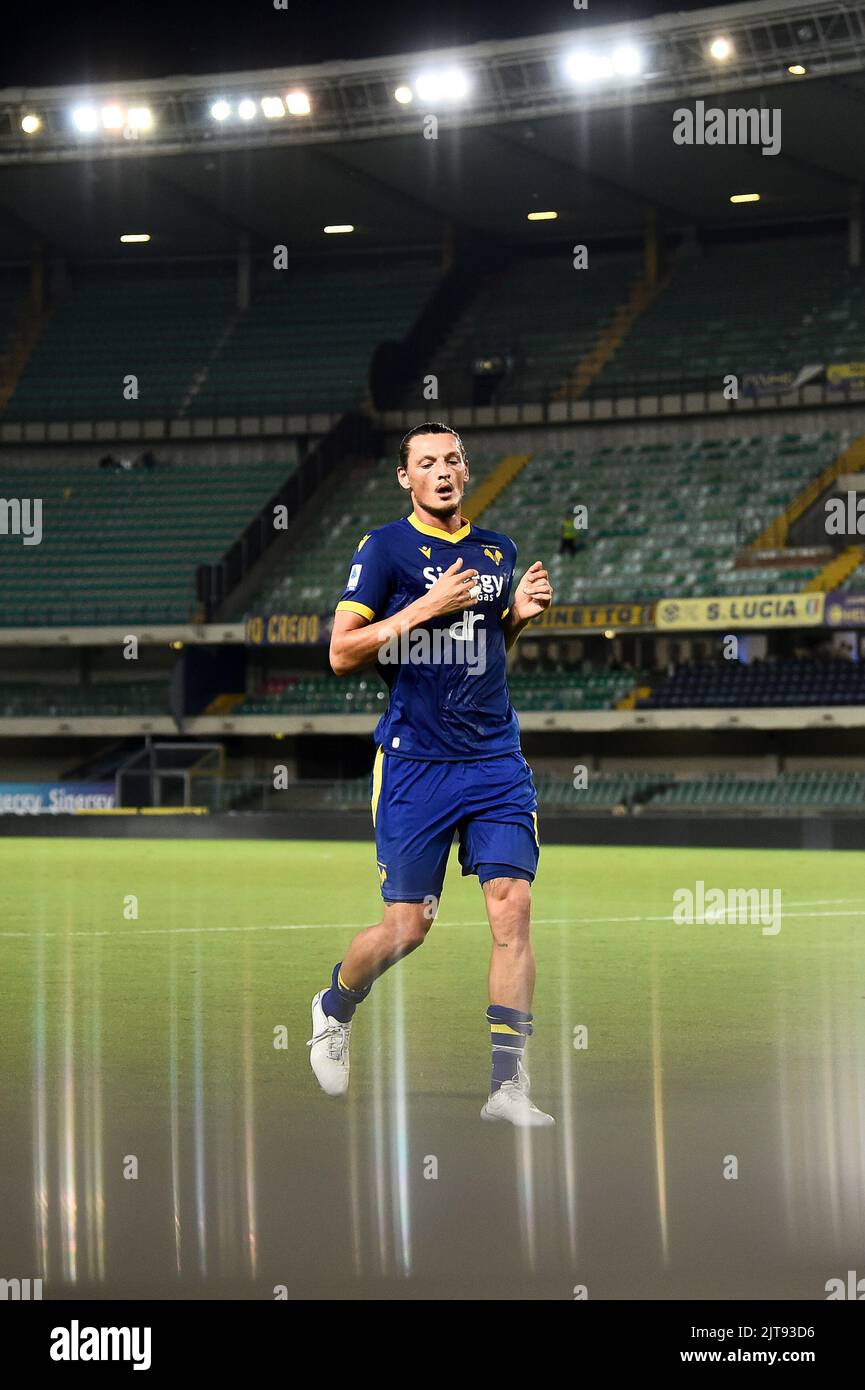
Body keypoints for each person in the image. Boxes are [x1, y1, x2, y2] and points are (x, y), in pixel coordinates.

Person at [307, 421, 555, 1126]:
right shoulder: (383, 549)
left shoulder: (496, 551)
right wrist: (425, 605)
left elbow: (482, 646)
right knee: (406, 928)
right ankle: (334, 1005)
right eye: (426, 462)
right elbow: (342, 652)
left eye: (451, 460)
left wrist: (517, 620)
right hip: (416, 764)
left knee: (511, 906)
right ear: (405, 478)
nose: (441, 471)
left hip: (494, 761)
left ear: (465, 470)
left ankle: (508, 1087)